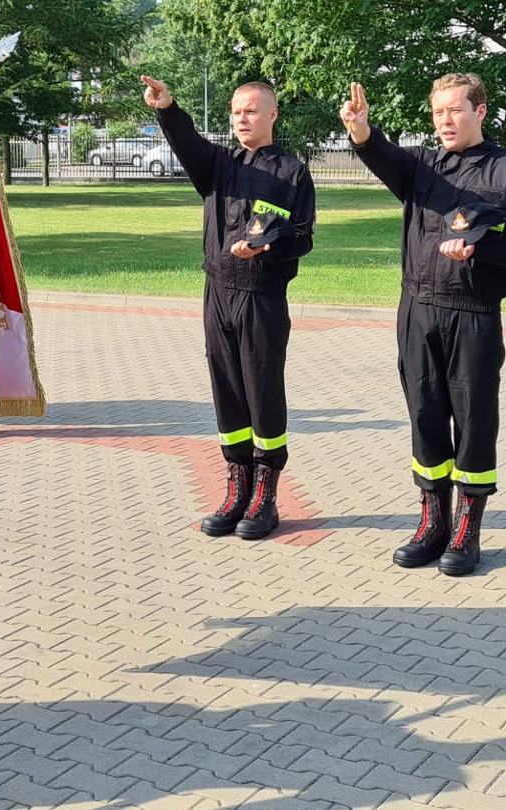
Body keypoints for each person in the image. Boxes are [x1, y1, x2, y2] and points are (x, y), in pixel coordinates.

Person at [340, 76, 506, 574]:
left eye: (455, 110)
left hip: (474, 315)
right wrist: (362, 130)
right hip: (418, 309)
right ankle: (434, 521)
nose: (445, 121)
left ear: (481, 111)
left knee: (473, 422)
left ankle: (468, 529)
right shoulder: (423, 166)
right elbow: (382, 156)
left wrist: (481, 247)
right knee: (425, 415)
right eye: (437, 113)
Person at [141, 74, 316, 540]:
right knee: (228, 391)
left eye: (253, 110)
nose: (243, 118)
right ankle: (236, 485)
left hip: (262, 296)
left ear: (273, 114)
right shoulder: (218, 164)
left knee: (262, 392)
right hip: (218, 292)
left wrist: (267, 249)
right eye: (237, 111)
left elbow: (302, 238)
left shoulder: (292, 173)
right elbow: (187, 143)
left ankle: (265, 494)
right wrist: (168, 109)